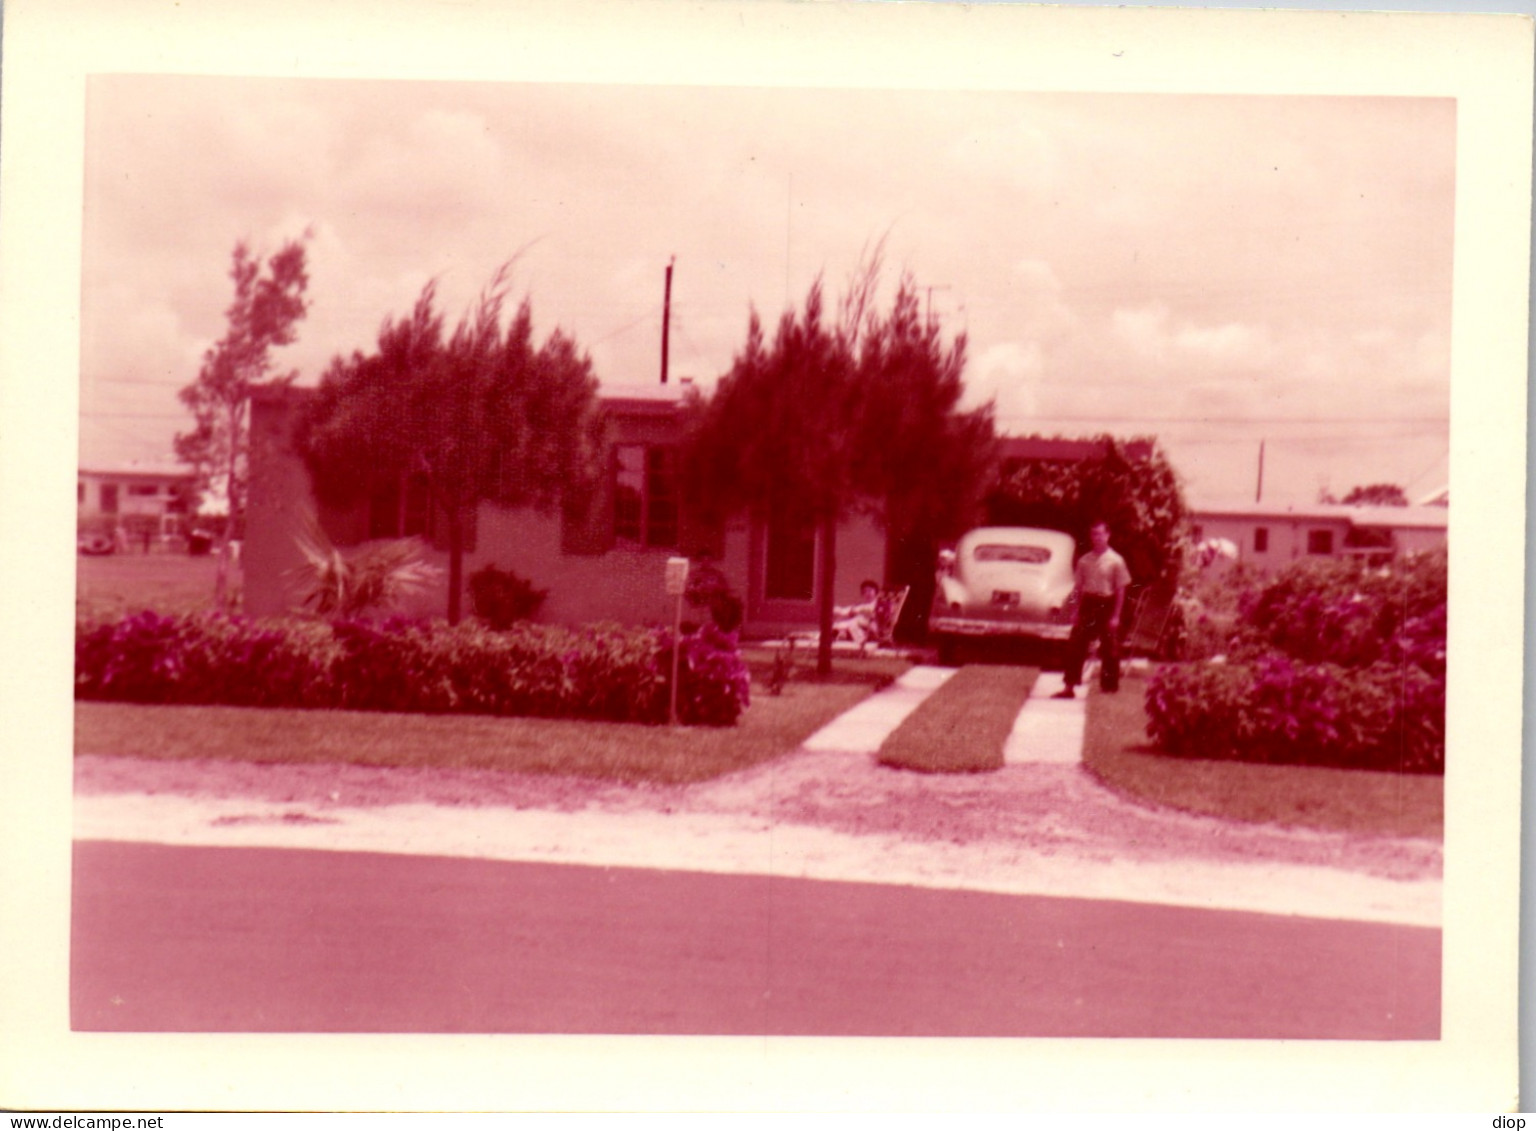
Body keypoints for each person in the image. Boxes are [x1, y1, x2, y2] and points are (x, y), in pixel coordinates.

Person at [1054, 520, 1132, 698]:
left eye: (1100, 534)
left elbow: (1121, 590)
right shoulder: (1084, 561)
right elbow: (1077, 589)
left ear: (1107, 535)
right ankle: (1069, 687)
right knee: (1075, 644)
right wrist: (1074, 610)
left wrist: (1116, 616)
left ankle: (1109, 689)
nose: (1096, 538)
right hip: (1088, 605)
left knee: (1110, 648)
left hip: (1107, 604)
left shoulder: (1116, 561)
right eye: (1093, 534)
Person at [833, 579, 881, 644]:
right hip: (860, 628)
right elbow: (847, 611)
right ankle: (841, 632)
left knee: (853, 622)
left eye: (870, 590)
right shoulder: (862, 605)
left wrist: (858, 611)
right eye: (865, 591)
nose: (867, 593)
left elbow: (874, 614)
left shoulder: (878, 604)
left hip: (872, 627)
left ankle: (860, 640)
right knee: (843, 622)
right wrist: (837, 610)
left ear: (876, 592)